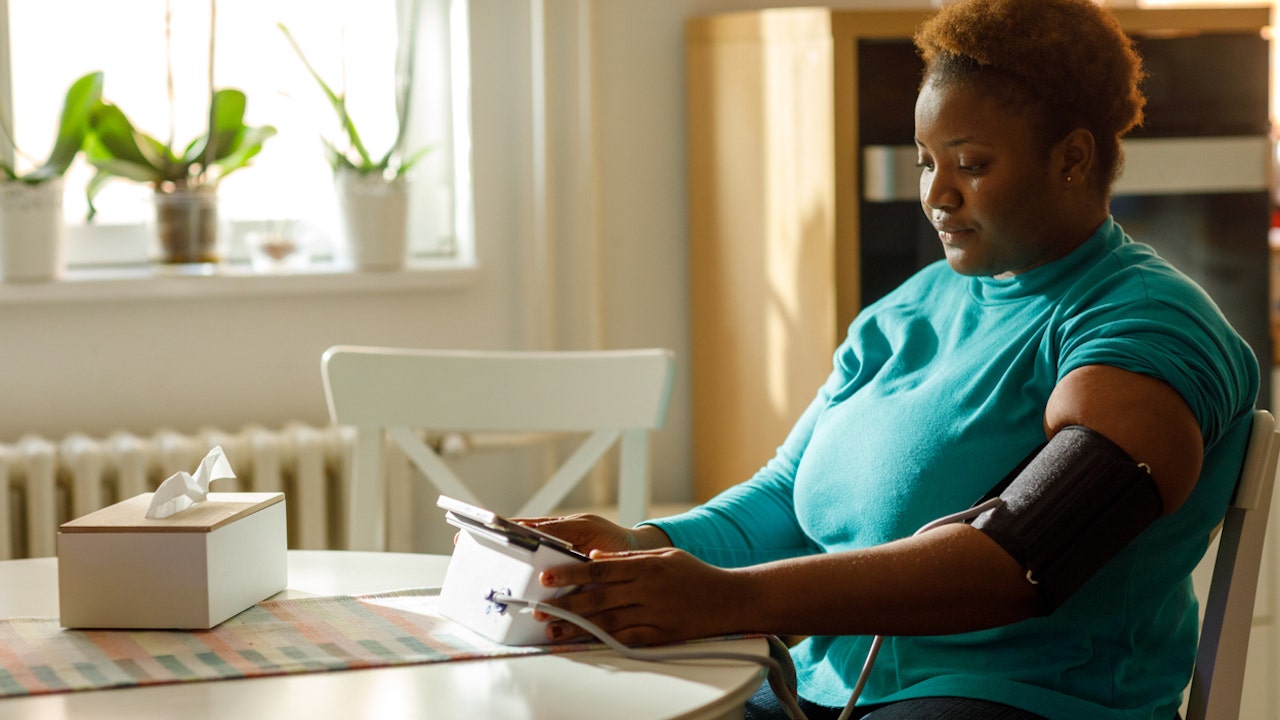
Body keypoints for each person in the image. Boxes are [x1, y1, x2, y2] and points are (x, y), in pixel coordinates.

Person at [521, 0, 1261, 718]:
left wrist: (727, 598)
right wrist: (639, 548)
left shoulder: (1146, 323)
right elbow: (785, 499)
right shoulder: (908, 310)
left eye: (971, 163)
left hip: (1024, 699)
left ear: (1072, 157)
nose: (937, 194)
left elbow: (1025, 558)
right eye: (925, 161)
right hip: (821, 689)